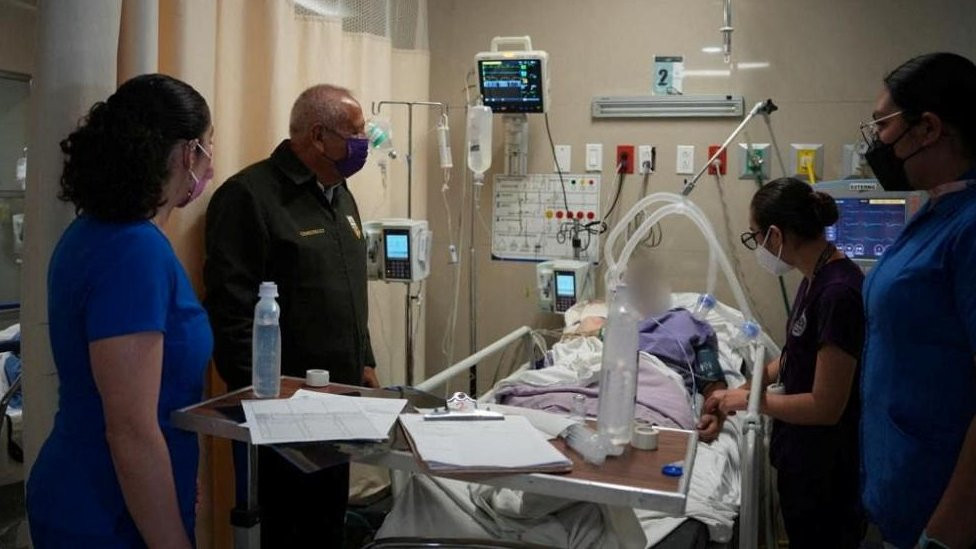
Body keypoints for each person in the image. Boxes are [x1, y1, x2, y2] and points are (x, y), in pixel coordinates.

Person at [26, 74, 214, 547]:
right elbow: (129, 429)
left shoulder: (92, 234)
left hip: (107, 491)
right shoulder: (134, 251)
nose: (211, 164)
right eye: (208, 148)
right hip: (107, 511)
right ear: (188, 154)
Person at [204, 84, 378, 546]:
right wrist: (262, 399)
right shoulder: (249, 197)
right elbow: (232, 309)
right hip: (281, 412)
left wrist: (365, 359)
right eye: (356, 133)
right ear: (319, 136)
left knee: (327, 526)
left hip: (339, 400)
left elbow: (348, 286)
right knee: (286, 533)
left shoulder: (340, 194)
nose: (364, 142)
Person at [858, 52, 976, 549]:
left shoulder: (968, 229)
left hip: (939, 509)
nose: (876, 141)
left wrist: (946, 534)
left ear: (927, 128)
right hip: (901, 489)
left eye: (883, 124)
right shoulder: (937, 212)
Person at [710, 177, 865, 548]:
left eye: (754, 236)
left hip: (827, 472)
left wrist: (749, 404)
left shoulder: (839, 292)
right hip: (804, 460)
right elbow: (794, 355)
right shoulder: (815, 278)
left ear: (775, 236)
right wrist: (743, 389)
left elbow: (825, 407)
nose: (757, 247)